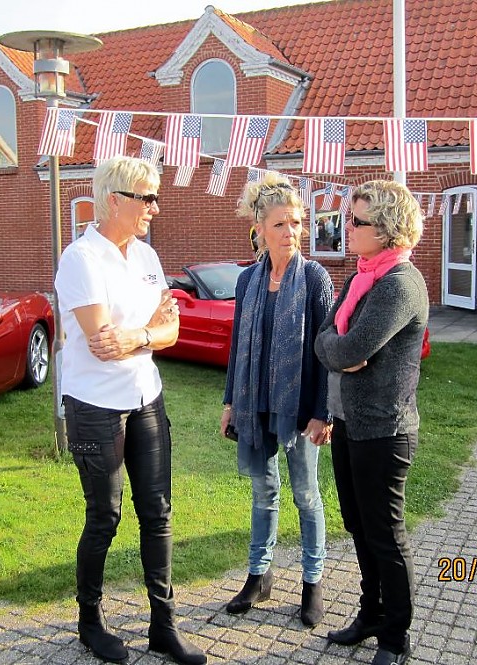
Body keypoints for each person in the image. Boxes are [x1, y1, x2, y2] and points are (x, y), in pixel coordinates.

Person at [54, 156, 206, 665]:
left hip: (146, 398)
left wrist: (139, 335)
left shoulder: (147, 256)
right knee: (105, 515)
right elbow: (102, 344)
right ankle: (90, 622)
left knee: (157, 512)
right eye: (148, 198)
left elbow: (171, 331)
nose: (155, 207)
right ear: (114, 200)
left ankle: (164, 626)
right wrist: (150, 332)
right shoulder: (81, 259)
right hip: (95, 405)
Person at [314, 180, 429, 665]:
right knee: (359, 526)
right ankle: (371, 614)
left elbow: (352, 348)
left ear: (386, 228)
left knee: (385, 535)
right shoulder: (361, 276)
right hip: (349, 424)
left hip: (384, 430)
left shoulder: (399, 284)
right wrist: (340, 353)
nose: (347, 227)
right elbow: (326, 340)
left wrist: (341, 352)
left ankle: (395, 637)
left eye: (357, 220)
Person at [220, 173, 333, 628]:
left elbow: (325, 352)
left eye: (297, 223)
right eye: (281, 224)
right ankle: (259, 576)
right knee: (263, 493)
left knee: (306, 494)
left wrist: (323, 412)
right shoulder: (247, 280)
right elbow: (237, 347)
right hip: (255, 404)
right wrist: (230, 402)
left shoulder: (315, 278)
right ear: (260, 229)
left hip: (300, 408)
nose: (291, 232)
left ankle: (313, 583)